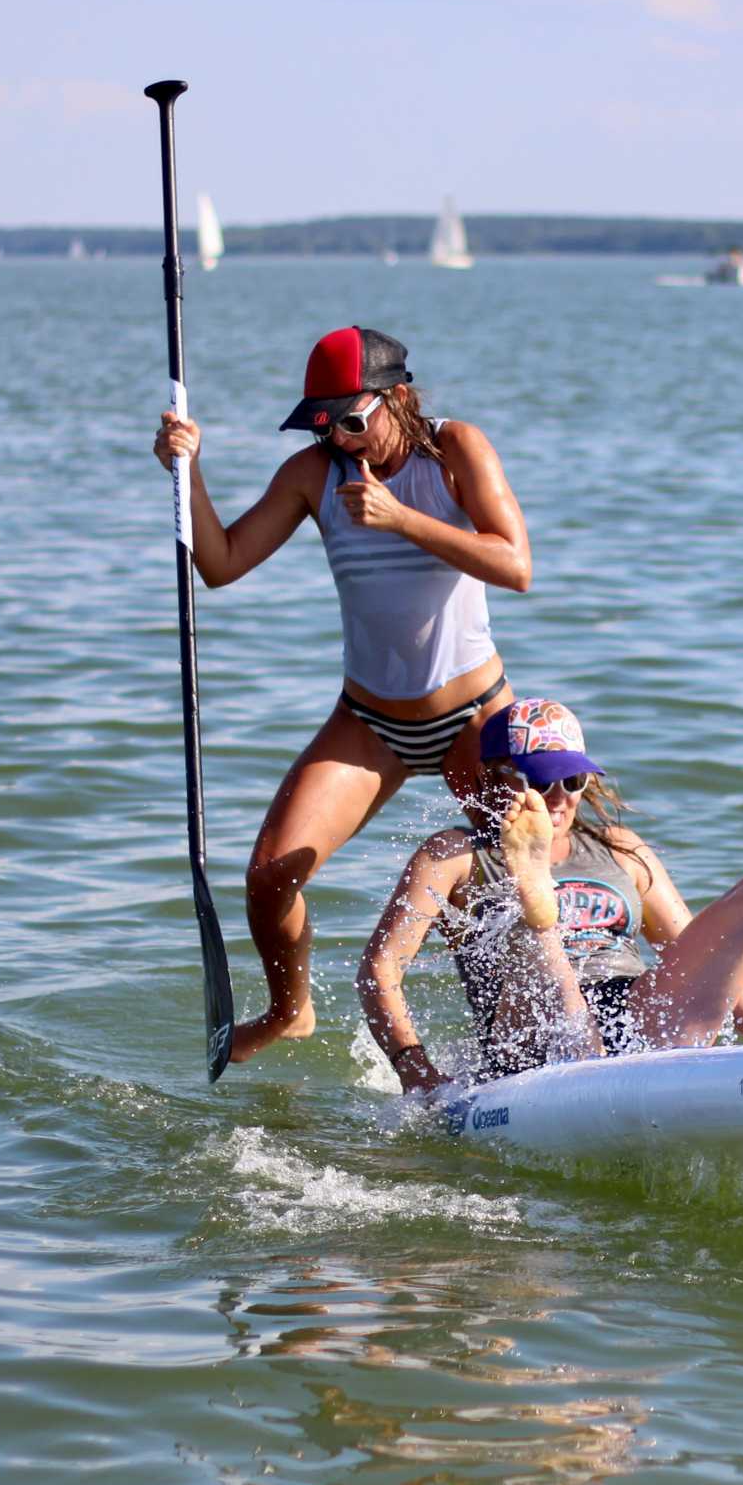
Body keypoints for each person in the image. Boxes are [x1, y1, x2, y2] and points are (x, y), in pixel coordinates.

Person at [153, 326, 530, 1061]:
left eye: (352, 421)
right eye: (322, 424)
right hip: (368, 723)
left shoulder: (454, 451)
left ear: (398, 397)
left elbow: (515, 564)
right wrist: (185, 470)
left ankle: (510, 1037)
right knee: (268, 877)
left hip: (471, 716)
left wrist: (401, 519)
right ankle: (291, 1010)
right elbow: (222, 563)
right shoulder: (311, 474)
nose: (340, 440)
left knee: (498, 884)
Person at [356, 699, 743, 1094]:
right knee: (545, 956)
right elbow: (380, 970)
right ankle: (535, 905)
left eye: (571, 779)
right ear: (493, 778)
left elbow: (703, 953)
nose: (559, 796)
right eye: (537, 780)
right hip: (530, 1042)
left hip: (633, 1020)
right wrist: (416, 1072)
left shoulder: (618, 849)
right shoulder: (455, 854)